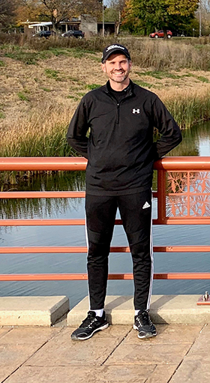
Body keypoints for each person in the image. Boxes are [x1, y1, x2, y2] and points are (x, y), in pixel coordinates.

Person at [67, 44, 182, 341]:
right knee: (97, 252)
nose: (118, 67)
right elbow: (74, 137)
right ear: (103, 67)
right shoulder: (91, 101)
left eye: (123, 62)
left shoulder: (147, 100)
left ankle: (140, 312)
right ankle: (96, 314)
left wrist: (145, 157)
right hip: (99, 188)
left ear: (130, 65)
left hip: (135, 188)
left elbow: (173, 133)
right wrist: (97, 157)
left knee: (140, 252)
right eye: (112, 63)